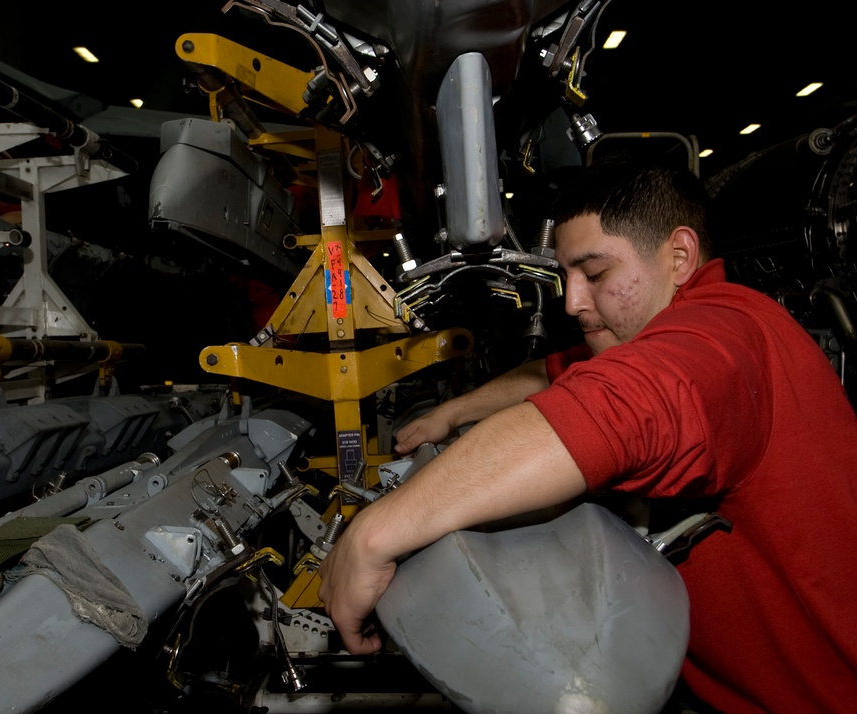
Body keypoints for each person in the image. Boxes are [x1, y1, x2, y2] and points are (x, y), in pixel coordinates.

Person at [318, 161, 857, 713]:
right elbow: (553, 371)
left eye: (595, 274)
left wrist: (371, 538)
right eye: (567, 276)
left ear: (679, 257)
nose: (573, 301)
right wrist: (452, 414)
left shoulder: (724, 336)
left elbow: (610, 413)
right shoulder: (650, 331)